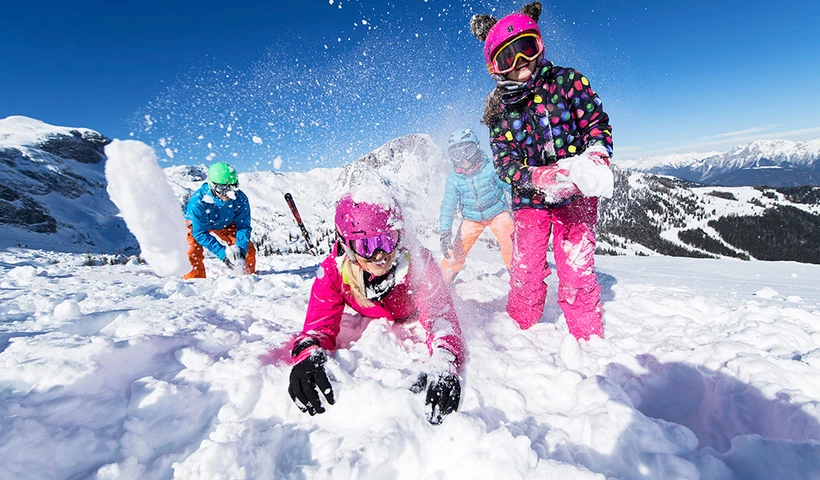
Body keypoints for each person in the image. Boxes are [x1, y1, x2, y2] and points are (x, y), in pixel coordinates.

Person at [469, 2, 614, 340]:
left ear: (539, 44)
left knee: (576, 268)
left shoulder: (567, 82)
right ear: (496, 68)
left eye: (527, 48)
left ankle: (587, 338)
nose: (521, 63)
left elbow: (596, 124)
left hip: (574, 193)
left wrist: (594, 155)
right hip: (529, 200)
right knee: (526, 268)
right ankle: (520, 330)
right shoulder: (499, 112)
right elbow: (504, 164)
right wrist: (534, 177)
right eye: (509, 57)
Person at [288, 184, 463, 425]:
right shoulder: (333, 273)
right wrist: (306, 355)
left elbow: (440, 316)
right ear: (347, 246)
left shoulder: (418, 263)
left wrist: (445, 358)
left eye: (387, 241)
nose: (380, 255)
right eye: (366, 246)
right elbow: (317, 327)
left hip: (410, 312)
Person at [439, 128, 514, 283]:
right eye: (456, 154)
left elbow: (510, 187)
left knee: (511, 243)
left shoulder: (491, 168)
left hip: (498, 213)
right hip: (471, 218)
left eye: (468, 150)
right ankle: (442, 282)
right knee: (456, 251)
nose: (463, 157)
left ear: (477, 148)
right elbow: (448, 206)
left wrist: (523, 206)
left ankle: (518, 275)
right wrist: (445, 231)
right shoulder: (454, 179)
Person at [183, 162, 256, 279]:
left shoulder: (240, 198)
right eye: (222, 189)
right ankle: (195, 283)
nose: (227, 193)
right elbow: (199, 233)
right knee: (191, 252)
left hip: (225, 223)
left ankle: (248, 278)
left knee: (247, 250)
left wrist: (241, 250)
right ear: (212, 186)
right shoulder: (197, 202)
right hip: (198, 224)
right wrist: (223, 254)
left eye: (232, 188)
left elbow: (243, 227)